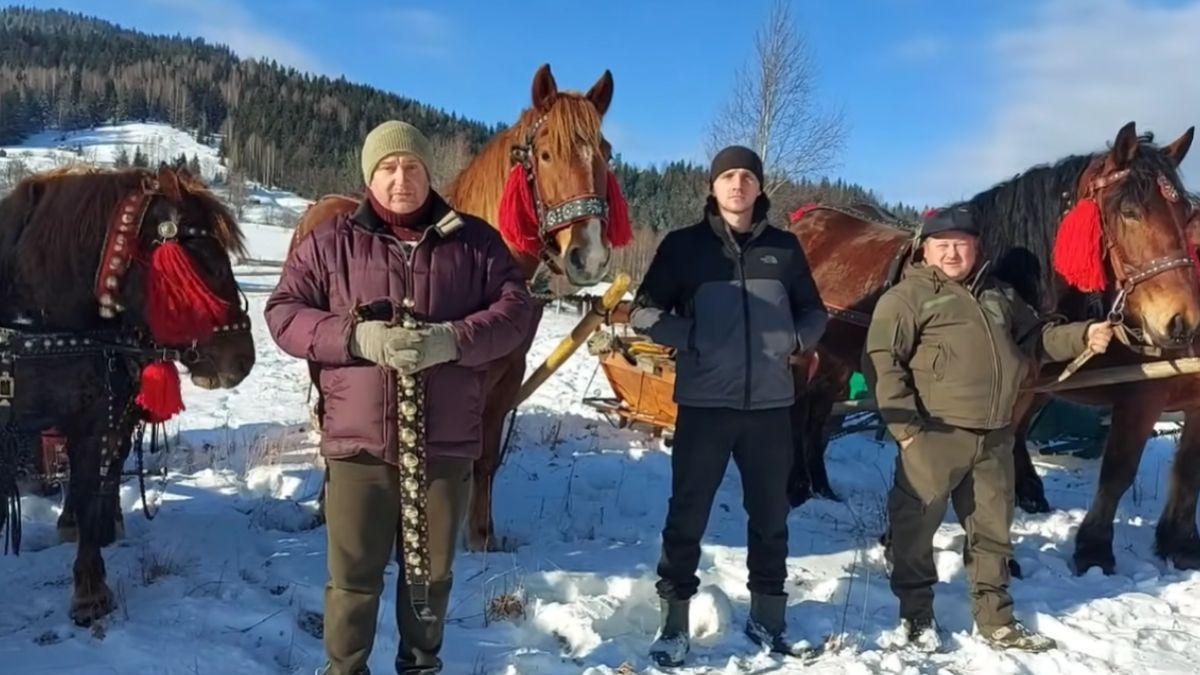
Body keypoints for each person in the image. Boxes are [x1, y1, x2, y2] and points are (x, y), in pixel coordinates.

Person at [265, 120, 533, 675]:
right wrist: (354, 337)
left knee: (430, 576)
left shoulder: (477, 243)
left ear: (428, 171)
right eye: (387, 168)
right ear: (370, 177)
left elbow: (515, 313)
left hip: (446, 443)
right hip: (359, 443)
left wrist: (452, 341)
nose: (400, 178)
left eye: (411, 166)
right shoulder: (330, 243)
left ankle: (420, 667)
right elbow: (284, 313)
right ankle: (346, 668)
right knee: (353, 577)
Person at [862, 206, 1114, 653]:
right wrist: (907, 432)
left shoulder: (999, 294)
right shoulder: (905, 299)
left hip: (996, 435)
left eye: (962, 243)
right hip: (934, 436)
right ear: (926, 250)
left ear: (978, 248)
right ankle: (916, 616)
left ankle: (996, 620)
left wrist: (1083, 335)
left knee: (993, 533)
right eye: (943, 245)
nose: (953, 252)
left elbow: (1037, 337)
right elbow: (883, 363)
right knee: (914, 532)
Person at [629, 145, 828, 667]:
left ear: (759, 188)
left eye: (746, 176)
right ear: (713, 187)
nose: (737, 184)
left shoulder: (784, 249)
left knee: (770, 515)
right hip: (704, 406)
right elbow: (642, 313)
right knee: (686, 515)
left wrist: (796, 340)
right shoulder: (684, 248)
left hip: (769, 409)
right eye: (727, 177)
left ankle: (769, 618)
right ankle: (674, 624)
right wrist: (694, 336)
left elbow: (814, 311)